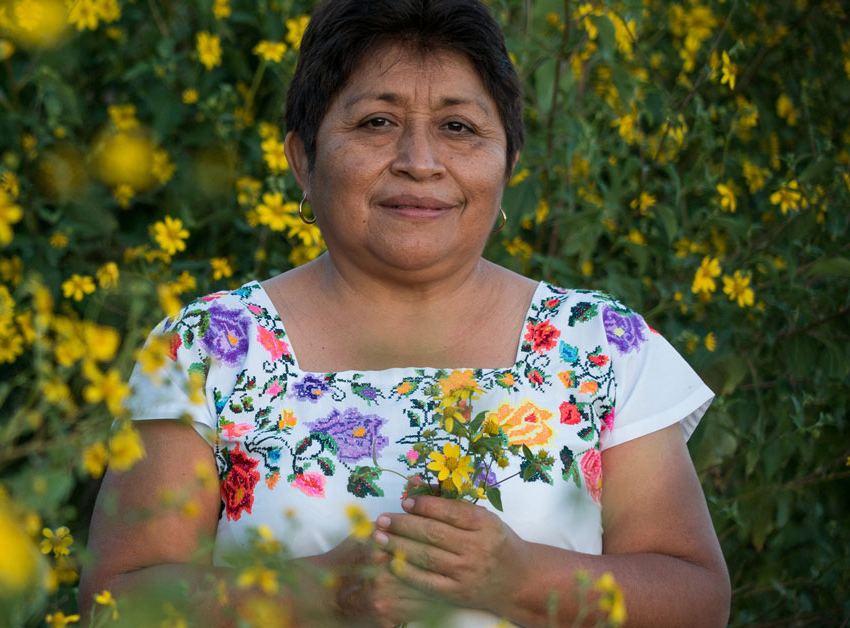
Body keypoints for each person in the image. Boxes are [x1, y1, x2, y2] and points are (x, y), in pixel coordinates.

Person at [82, 0, 731, 625]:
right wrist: (317, 595)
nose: (420, 163)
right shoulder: (206, 350)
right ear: (302, 158)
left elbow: (696, 598)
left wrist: (523, 580)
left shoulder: (601, 348)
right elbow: (116, 601)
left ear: (508, 162)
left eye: (458, 127)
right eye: (376, 123)